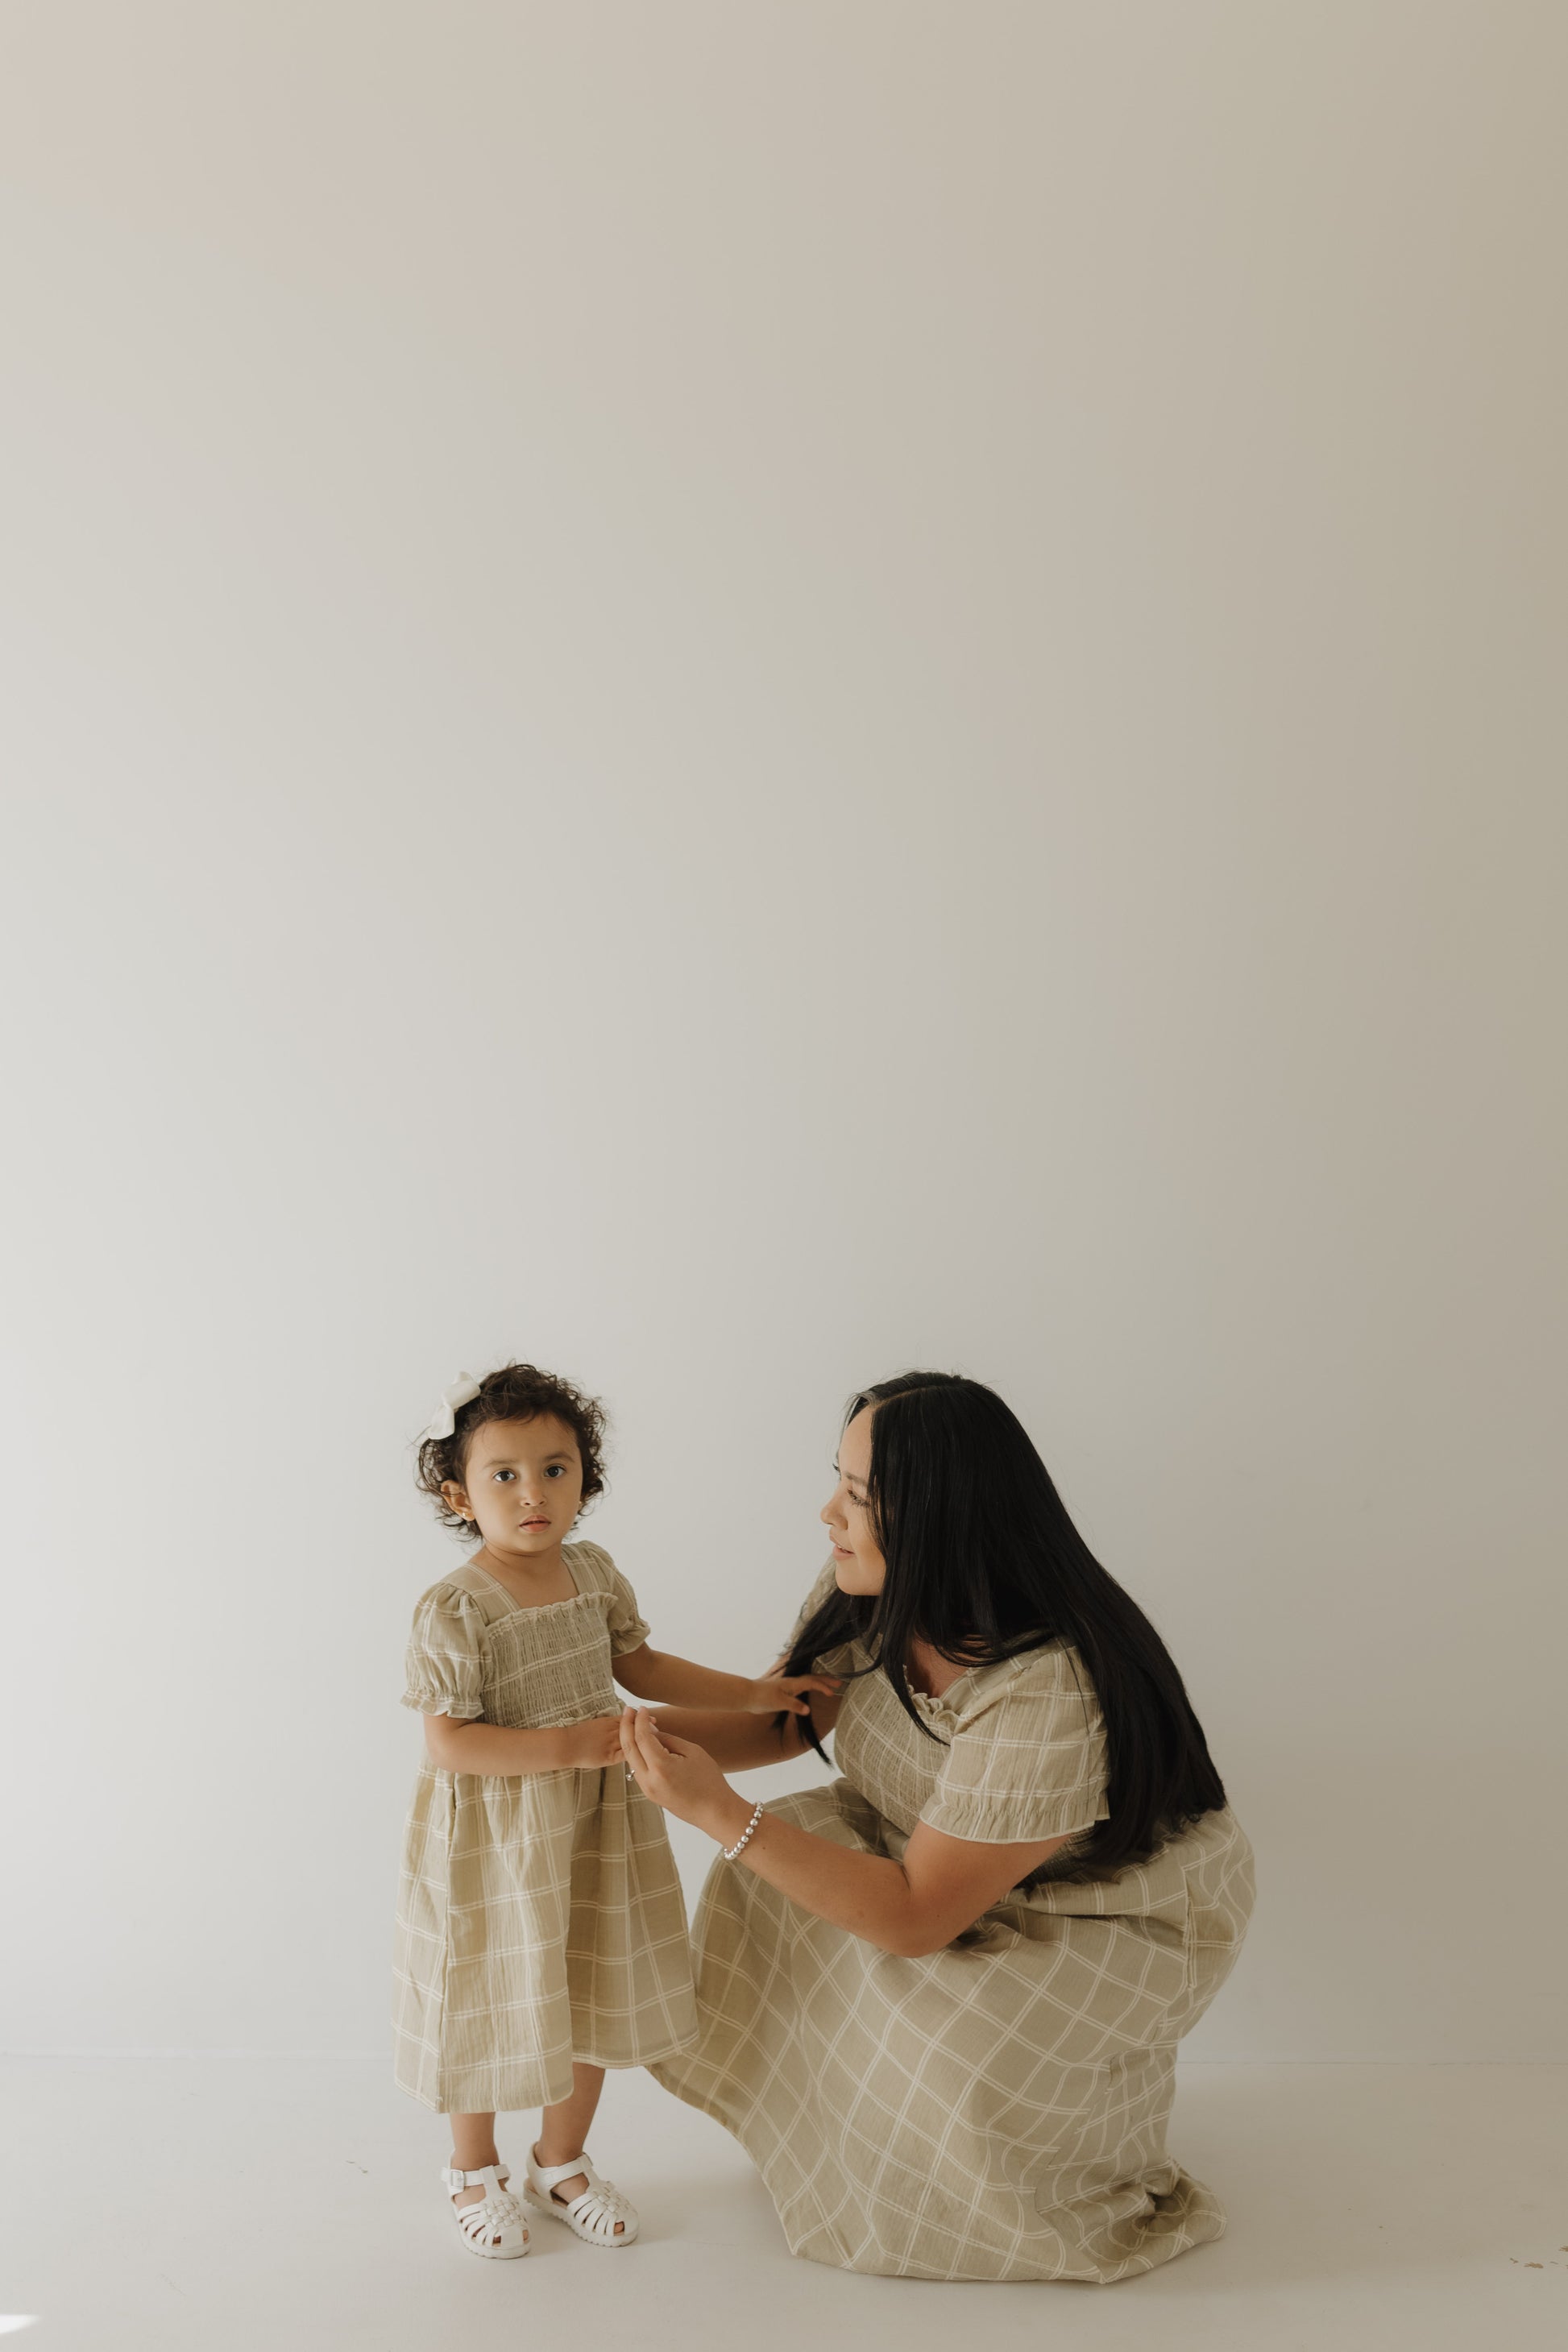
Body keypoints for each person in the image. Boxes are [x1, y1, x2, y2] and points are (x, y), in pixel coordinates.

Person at [621, 1371, 1256, 2283]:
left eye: (855, 1495)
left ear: (939, 1516)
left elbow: (918, 1919)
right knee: (773, 1887)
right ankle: (839, 2148)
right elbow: (783, 1718)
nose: (826, 1514)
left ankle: (997, 2191)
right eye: (835, 1482)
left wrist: (720, 1813)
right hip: (930, 1850)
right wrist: (604, 1736)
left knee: (937, 2015)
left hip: (1103, 1915)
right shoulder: (869, 1582)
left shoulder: (1048, 1688)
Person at [392, 1361, 840, 2260]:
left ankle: (560, 2162)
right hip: (499, 1836)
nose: (533, 1494)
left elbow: (644, 1668)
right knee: (488, 1990)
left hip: (596, 1819)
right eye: (504, 1475)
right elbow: (449, 1743)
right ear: (458, 1493)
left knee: (590, 1978)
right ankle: (471, 2168)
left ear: (584, 1479)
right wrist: (568, 1746)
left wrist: (754, 1693)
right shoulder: (456, 1606)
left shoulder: (591, 1573)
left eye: (555, 1469)